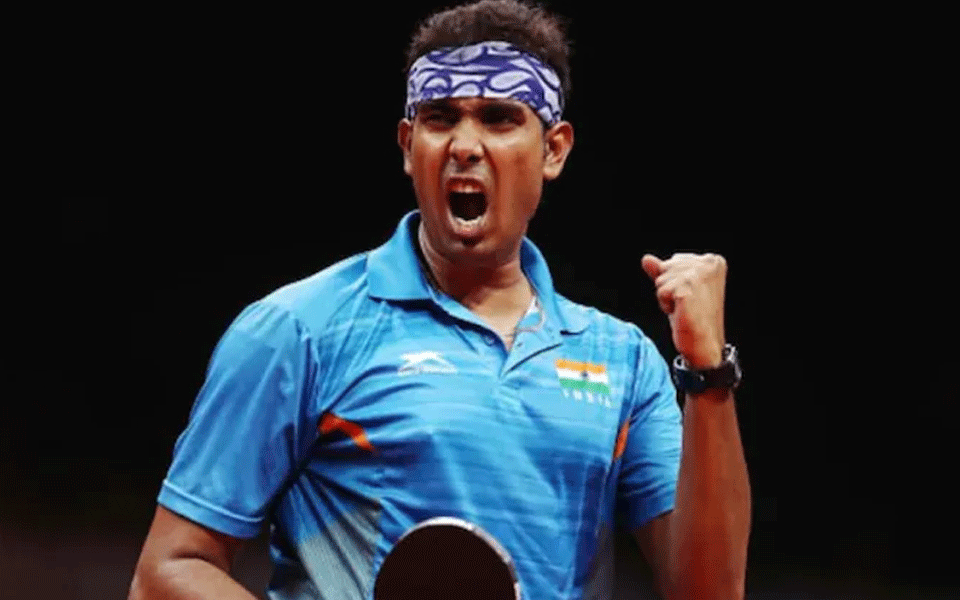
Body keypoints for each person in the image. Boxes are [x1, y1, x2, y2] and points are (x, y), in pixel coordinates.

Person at [128, 1, 750, 598]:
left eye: (499, 118)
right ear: (408, 145)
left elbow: (711, 592)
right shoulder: (298, 330)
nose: (465, 145)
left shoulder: (622, 359)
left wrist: (708, 375)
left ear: (554, 150)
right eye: (441, 117)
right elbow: (167, 573)